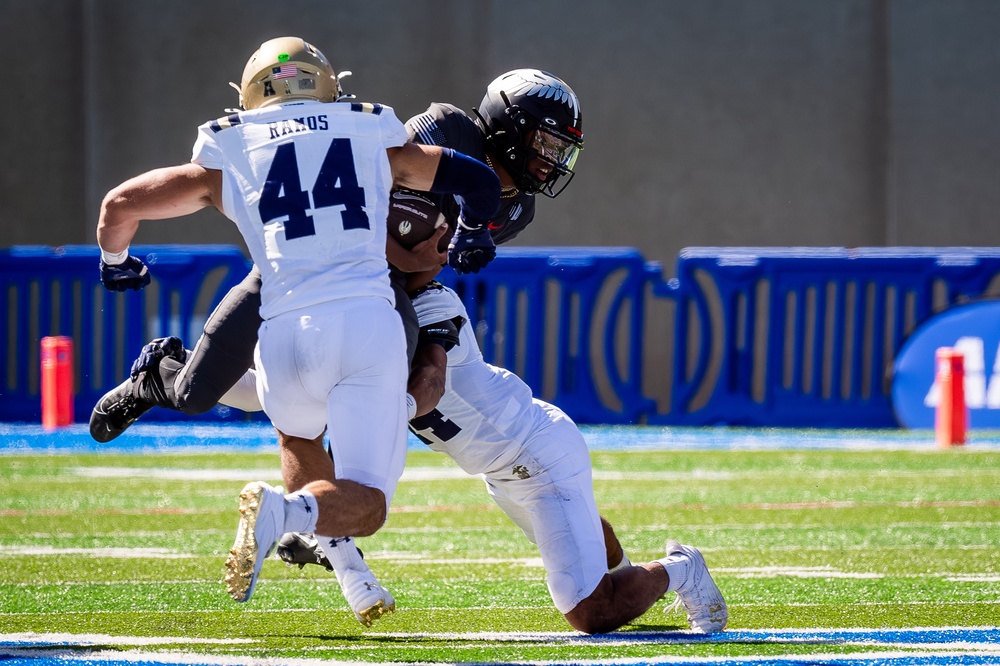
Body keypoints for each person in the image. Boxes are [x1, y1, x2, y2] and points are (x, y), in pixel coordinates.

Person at [93, 36, 500, 627]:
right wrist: (472, 233)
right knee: (366, 503)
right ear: (330, 86)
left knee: (300, 438)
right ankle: (284, 516)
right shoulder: (369, 133)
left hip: (283, 336)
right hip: (364, 326)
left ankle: (335, 559)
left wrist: (116, 262)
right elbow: (477, 181)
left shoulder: (230, 147)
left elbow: (118, 205)